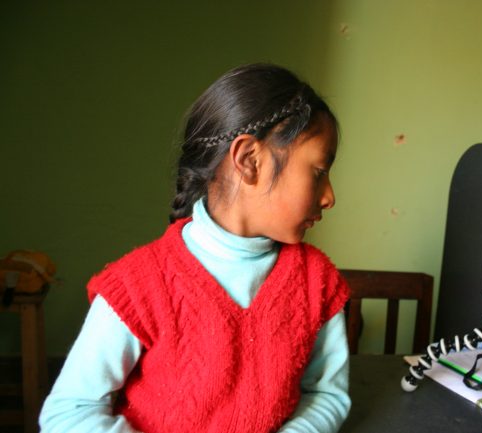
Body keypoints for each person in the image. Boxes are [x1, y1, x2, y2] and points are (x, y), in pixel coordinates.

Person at [39, 63, 351, 433]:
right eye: (318, 172)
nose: (329, 196)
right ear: (250, 161)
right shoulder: (136, 287)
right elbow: (69, 412)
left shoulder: (319, 283)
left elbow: (327, 394)